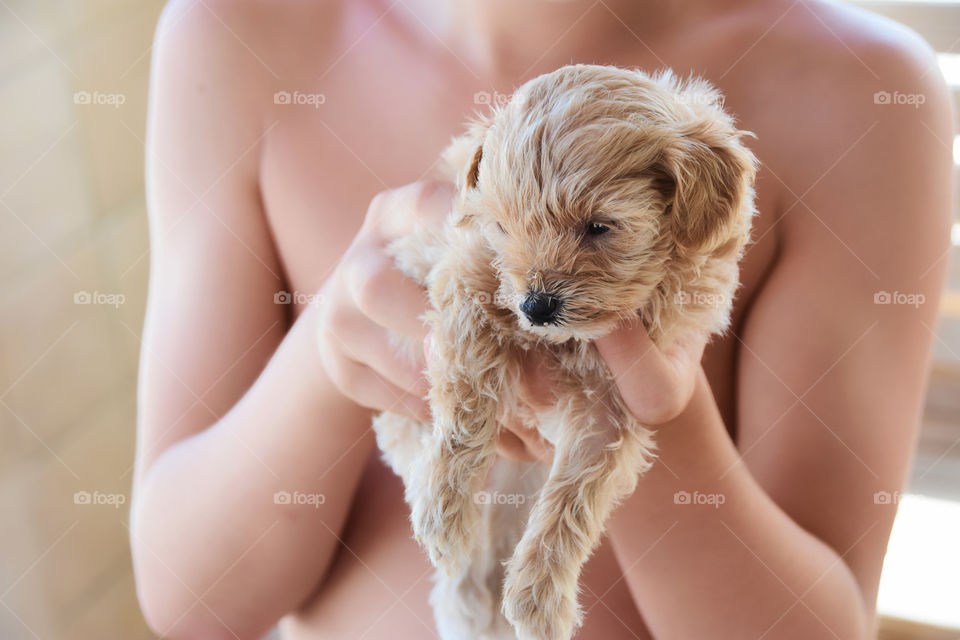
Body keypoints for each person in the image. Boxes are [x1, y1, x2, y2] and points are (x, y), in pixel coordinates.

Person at [130, 0, 954, 638]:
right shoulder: (235, 35)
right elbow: (192, 602)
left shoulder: (858, 92)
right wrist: (327, 358)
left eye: (598, 228)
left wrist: (650, 412)